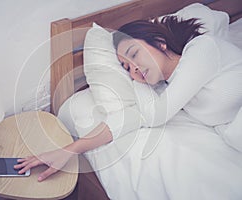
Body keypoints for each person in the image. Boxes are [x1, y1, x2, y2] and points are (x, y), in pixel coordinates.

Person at [14, 16, 242, 182]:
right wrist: (69, 150)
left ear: (160, 42)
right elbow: (131, 117)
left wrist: (138, 80)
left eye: (134, 54)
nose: (133, 69)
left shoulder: (203, 49)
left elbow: (154, 116)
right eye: (126, 67)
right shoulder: (166, 87)